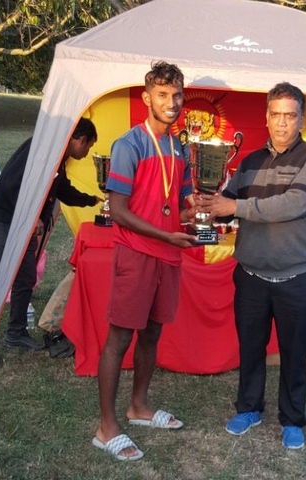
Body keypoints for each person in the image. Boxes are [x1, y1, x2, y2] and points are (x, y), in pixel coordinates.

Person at [198, 83, 306, 450]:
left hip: (296, 278)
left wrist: (236, 208)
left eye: (290, 115)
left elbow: (294, 204)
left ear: (301, 119)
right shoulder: (249, 162)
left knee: (294, 355)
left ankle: (293, 419)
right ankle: (249, 408)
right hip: (252, 277)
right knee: (250, 348)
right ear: (267, 118)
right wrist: (206, 202)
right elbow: (226, 202)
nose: (282, 123)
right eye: (276, 115)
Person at [92, 61, 198, 461]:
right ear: (146, 98)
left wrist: (198, 211)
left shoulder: (180, 147)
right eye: (162, 95)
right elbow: (118, 211)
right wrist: (165, 234)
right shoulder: (129, 145)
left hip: (168, 255)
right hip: (137, 254)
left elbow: (179, 205)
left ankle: (138, 407)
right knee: (119, 338)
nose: (172, 103)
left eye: (177, 95)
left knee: (152, 334)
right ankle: (106, 427)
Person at [0, 117, 101, 368]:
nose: (87, 153)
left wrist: (91, 200)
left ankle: (15, 332)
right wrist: (32, 216)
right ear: (80, 140)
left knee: (26, 276)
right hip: (2, 217)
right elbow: (16, 184)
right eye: (89, 146)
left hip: (23, 223)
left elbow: (62, 190)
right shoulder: (41, 148)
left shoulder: (59, 158)